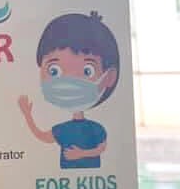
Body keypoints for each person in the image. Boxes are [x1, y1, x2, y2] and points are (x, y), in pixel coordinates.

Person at [18, 11, 120, 170]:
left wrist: (82, 154)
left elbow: (102, 148)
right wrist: (27, 115)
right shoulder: (63, 129)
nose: (69, 81)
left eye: (87, 71)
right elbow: (42, 136)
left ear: (109, 77)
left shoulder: (95, 128)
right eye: (54, 71)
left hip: (91, 178)